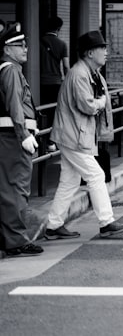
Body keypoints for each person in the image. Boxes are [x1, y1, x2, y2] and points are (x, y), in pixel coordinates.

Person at [44, 31, 123, 241]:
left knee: (70, 181)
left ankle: (53, 225)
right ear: (90, 53)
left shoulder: (90, 72)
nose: (106, 52)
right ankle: (106, 222)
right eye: (103, 48)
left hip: (74, 133)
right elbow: (88, 105)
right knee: (96, 175)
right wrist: (101, 103)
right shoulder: (79, 74)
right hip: (73, 134)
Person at [0, 22, 45, 257]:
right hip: (13, 140)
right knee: (16, 190)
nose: (26, 48)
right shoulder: (10, 70)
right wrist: (24, 135)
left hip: (10, 139)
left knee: (10, 189)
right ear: (8, 49)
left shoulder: (10, 69)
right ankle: (16, 240)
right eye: (20, 45)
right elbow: (15, 106)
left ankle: (10, 237)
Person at [38, 16, 70, 107]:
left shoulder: (38, 42)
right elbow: (66, 66)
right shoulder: (62, 44)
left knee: (42, 108)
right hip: (56, 82)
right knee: (54, 108)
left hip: (41, 82)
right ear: (59, 28)